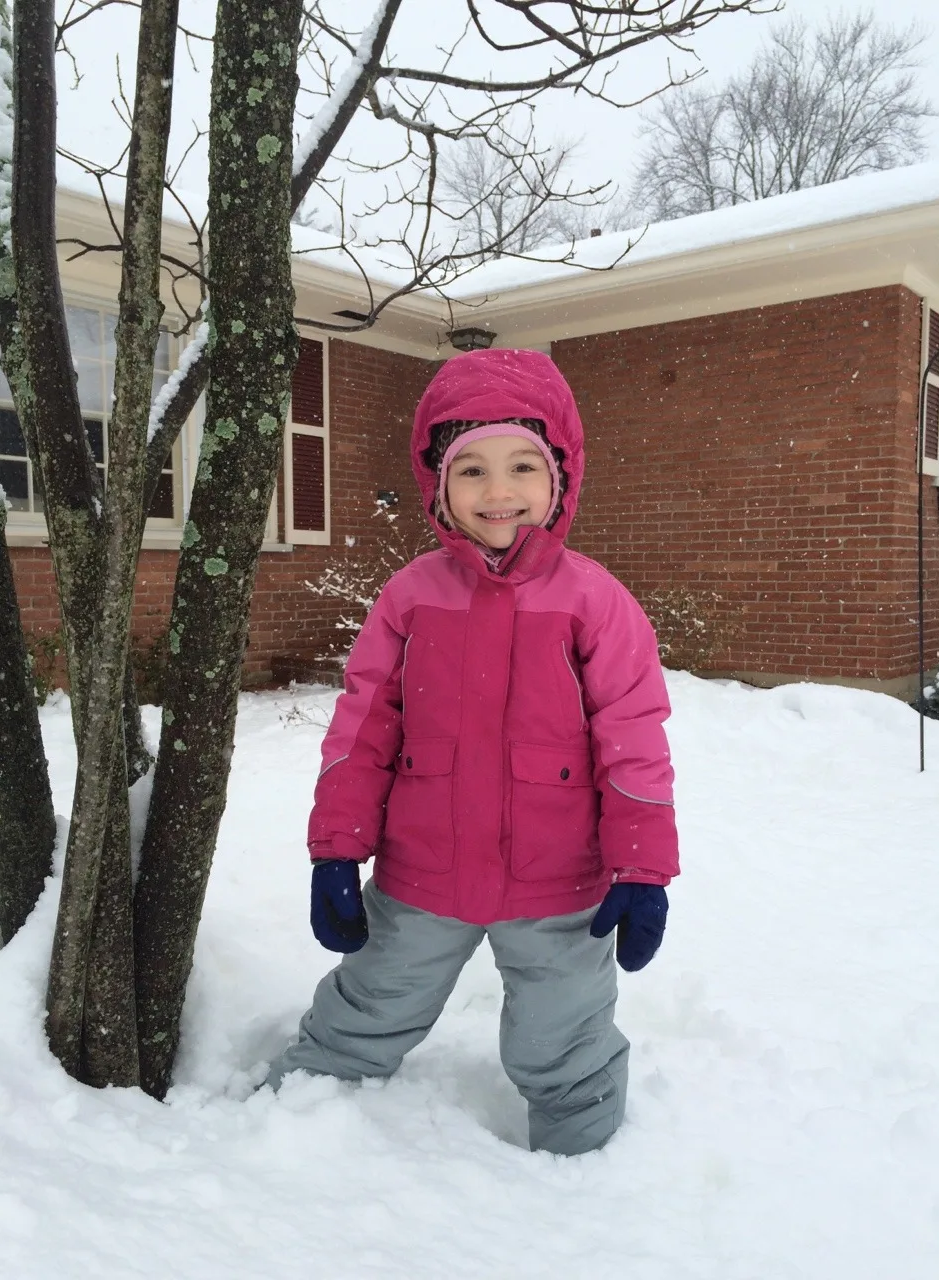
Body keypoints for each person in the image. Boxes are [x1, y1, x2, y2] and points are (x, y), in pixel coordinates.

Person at [265, 348, 679, 1156]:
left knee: (563, 1034)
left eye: (523, 465)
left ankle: (584, 1165)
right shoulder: (411, 596)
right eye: (472, 470)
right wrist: (336, 851)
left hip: (563, 886)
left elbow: (635, 739)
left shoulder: (595, 602)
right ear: (437, 486)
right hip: (424, 874)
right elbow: (363, 729)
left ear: (559, 477)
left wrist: (643, 868)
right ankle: (287, 1123)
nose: (498, 492)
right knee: (371, 1000)